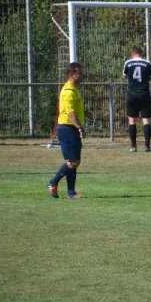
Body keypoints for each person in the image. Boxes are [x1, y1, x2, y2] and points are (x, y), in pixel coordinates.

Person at [48, 62, 87, 199]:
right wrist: (79, 127)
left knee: (74, 161)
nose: (82, 75)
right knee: (74, 162)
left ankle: (71, 192)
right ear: (71, 75)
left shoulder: (74, 89)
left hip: (71, 128)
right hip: (67, 128)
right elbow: (70, 113)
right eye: (79, 73)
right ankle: (53, 182)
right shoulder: (68, 91)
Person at [123, 45, 151, 152]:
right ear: (141, 53)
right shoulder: (147, 63)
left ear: (132, 53)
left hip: (132, 94)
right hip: (144, 94)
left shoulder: (128, 63)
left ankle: (133, 146)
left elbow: (124, 76)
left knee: (132, 120)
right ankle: (147, 146)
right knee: (145, 119)